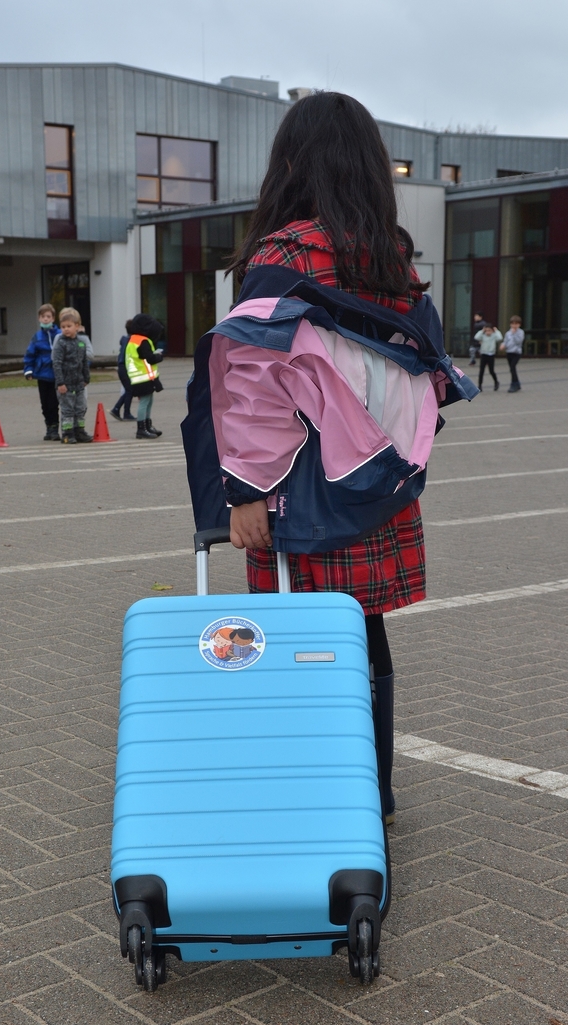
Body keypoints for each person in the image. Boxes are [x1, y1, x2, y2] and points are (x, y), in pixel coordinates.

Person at [184, 91, 477, 827]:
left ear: (290, 165)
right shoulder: (390, 261)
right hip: (376, 488)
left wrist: (244, 489)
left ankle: (305, 791)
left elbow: (254, 385)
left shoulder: (282, 257)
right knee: (364, 633)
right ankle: (368, 795)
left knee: (292, 640)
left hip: (299, 496)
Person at [52, 306, 92, 443]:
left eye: (69, 326)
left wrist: (86, 378)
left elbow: (84, 362)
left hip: (79, 382)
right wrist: (60, 383)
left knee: (80, 408)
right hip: (66, 384)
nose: (66, 329)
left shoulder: (81, 343)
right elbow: (56, 363)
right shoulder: (61, 344)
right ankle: (67, 433)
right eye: (63, 327)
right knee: (67, 410)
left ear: (77, 326)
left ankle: (79, 431)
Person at [24, 303, 61, 440]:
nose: (45, 319)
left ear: (53, 318)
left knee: (53, 403)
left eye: (48, 316)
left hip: (56, 375)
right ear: (39, 319)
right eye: (43, 316)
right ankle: (48, 426)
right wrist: (28, 370)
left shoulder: (59, 334)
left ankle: (55, 429)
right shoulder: (37, 337)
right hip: (42, 375)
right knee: (44, 404)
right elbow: (30, 354)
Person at [124, 314, 165, 439]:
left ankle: (147, 425)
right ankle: (142, 428)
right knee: (145, 402)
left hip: (138, 377)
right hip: (143, 378)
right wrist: (159, 356)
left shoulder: (134, 340)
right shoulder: (143, 341)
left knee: (148, 401)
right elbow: (150, 358)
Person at [109, 321, 136, 421]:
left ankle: (117, 409)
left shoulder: (124, 339)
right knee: (130, 390)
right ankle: (125, 412)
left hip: (121, 366)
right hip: (125, 366)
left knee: (129, 389)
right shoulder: (131, 340)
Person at [474, 322, 502, 391]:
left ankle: (496, 382)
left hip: (491, 355)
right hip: (484, 354)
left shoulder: (494, 335)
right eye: (486, 331)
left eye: (489, 330)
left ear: (492, 330)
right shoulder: (483, 336)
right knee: (481, 371)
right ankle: (480, 385)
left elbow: (500, 338)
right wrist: (482, 331)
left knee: (491, 370)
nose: (488, 332)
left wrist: (497, 331)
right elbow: (476, 337)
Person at [501, 315, 524, 392]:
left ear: (519, 324)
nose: (514, 325)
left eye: (516, 324)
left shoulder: (521, 332)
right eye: (513, 324)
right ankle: (517, 383)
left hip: (516, 352)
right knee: (511, 369)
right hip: (509, 352)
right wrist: (503, 345)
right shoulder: (508, 333)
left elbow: (519, 342)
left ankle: (513, 384)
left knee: (512, 367)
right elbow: (506, 341)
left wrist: (514, 334)